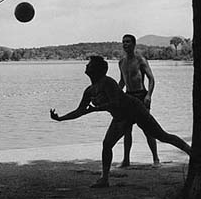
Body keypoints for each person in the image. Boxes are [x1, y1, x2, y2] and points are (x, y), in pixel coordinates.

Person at [50, 55, 191, 188]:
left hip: (135, 109)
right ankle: (104, 178)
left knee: (161, 135)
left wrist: (96, 109)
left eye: (89, 64)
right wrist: (60, 118)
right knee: (107, 144)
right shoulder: (89, 91)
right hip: (121, 117)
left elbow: (115, 103)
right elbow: (80, 110)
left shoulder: (108, 82)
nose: (86, 66)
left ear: (97, 70)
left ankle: (191, 152)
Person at [118, 34, 159, 167]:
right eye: (123, 42)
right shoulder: (121, 62)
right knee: (126, 129)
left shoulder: (140, 60)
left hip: (141, 95)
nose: (125, 44)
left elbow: (151, 79)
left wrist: (149, 95)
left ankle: (156, 159)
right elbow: (122, 81)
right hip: (128, 96)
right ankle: (126, 160)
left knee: (148, 128)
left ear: (134, 44)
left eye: (128, 42)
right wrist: (116, 94)